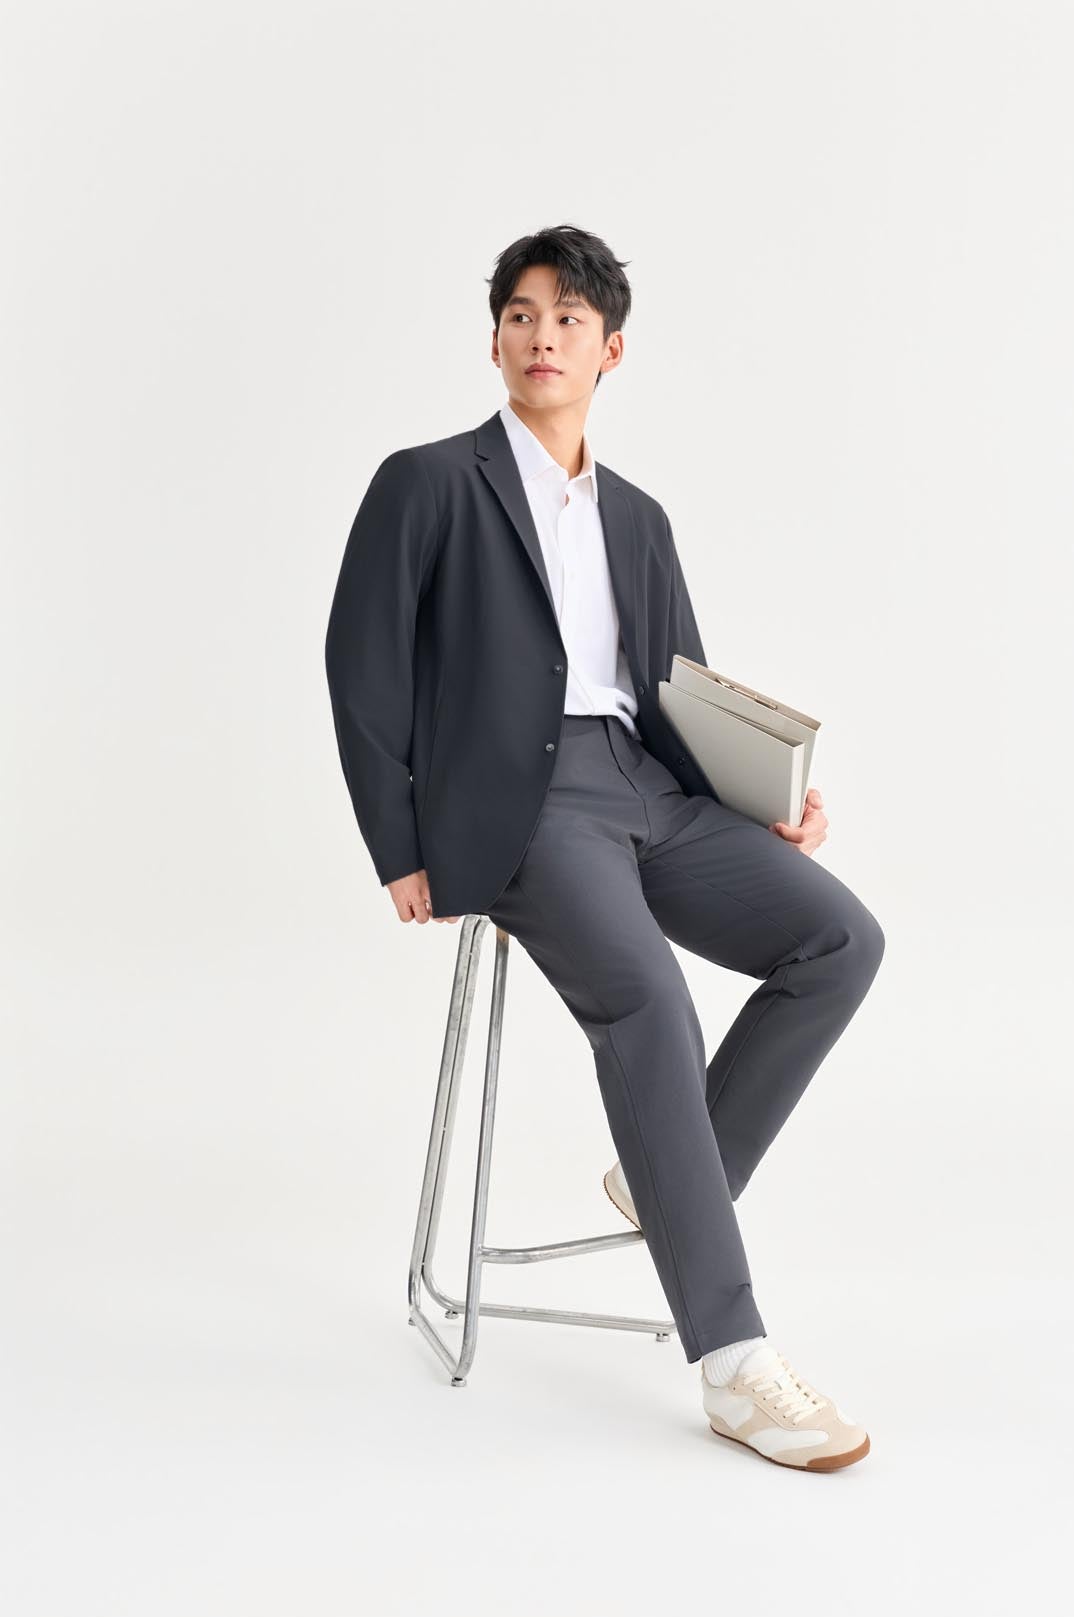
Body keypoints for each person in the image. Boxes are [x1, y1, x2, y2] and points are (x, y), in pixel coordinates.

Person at [324, 224, 886, 1472]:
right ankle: (734, 1362)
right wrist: (397, 840)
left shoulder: (638, 517)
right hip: (522, 809)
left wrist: (768, 802)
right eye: (520, 315)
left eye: (568, 319)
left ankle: (676, 1170)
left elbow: (680, 691)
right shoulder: (428, 482)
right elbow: (359, 665)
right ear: (494, 340)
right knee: (648, 996)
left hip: (648, 789)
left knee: (841, 938)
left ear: (609, 350)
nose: (542, 336)